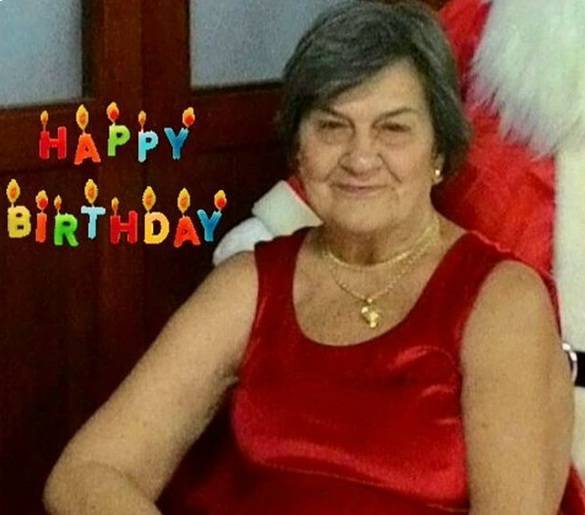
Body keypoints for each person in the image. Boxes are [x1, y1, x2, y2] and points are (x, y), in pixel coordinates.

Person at [43, 2, 585, 514]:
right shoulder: (249, 284)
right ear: (299, 149)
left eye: (394, 129)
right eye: (331, 127)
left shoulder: (503, 300)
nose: (360, 157)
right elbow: (85, 473)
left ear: (440, 151)